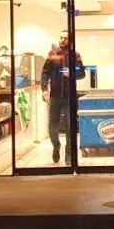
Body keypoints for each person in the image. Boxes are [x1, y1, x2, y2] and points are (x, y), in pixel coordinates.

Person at [41, 30, 85, 164]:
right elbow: (45, 73)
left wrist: (72, 73)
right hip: (55, 95)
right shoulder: (52, 54)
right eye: (61, 37)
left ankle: (69, 154)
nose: (62, 40)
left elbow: (82, 73)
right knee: (52, 126)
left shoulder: (75, 55)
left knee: (70, 125)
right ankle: (56, 146)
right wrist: (44, 89)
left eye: (65, 38)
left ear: (70, 40)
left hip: (69, 96)